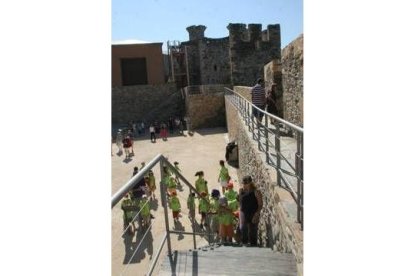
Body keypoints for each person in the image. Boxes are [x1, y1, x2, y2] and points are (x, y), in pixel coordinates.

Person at [239, 175, 263, 246]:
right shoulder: (241, 191)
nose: (244, 185)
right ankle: (244, 247)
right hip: (244, 214)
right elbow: (240, 202)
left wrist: (257, 214)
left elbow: (260, 204)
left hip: (253, 214)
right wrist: (241, 214)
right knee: (244, 231)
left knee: (253, 231)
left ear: (250, 183)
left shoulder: (256, 192)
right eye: (243, 183)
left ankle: (253, 247)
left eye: (246, 183)